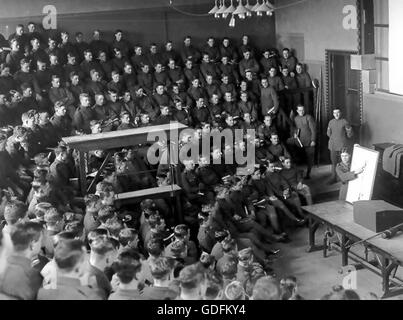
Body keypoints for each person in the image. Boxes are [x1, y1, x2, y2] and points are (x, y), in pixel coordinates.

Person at [38, 239, 103, 300]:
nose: (87, 262)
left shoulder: (40, 293)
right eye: (85, 259)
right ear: (79, 266)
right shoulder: (87, 296)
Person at [0, 221, 43, 300]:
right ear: (32, 244)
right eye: (41, 240)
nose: (41, 244)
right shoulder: (32, 275)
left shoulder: (3, 264)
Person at [287, 105, 317, 179]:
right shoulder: (296, 118)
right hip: (299, 141)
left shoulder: (308, 117)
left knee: (310, 158)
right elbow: (295, 129)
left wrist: (313, 140)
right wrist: (294, 134)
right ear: (297, 111)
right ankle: (297, 174)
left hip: (309, 141)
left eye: (303, 110)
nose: (301, 112)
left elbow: (313, 130)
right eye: (300, 110)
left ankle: (308, 174)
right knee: (289, 143)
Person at [327, 108, 354, 183]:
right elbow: (328, 134)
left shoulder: (345, 122)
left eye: (338, 112)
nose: (336, 114)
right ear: (333, 114)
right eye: (334, 113)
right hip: (333, 146)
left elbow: (350, 135)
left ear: (340, 113)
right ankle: (333, 178)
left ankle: (344, 178)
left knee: (343, 163)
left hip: (343, 146)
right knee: (334, 163)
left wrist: (349, 130)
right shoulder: (331, 122)